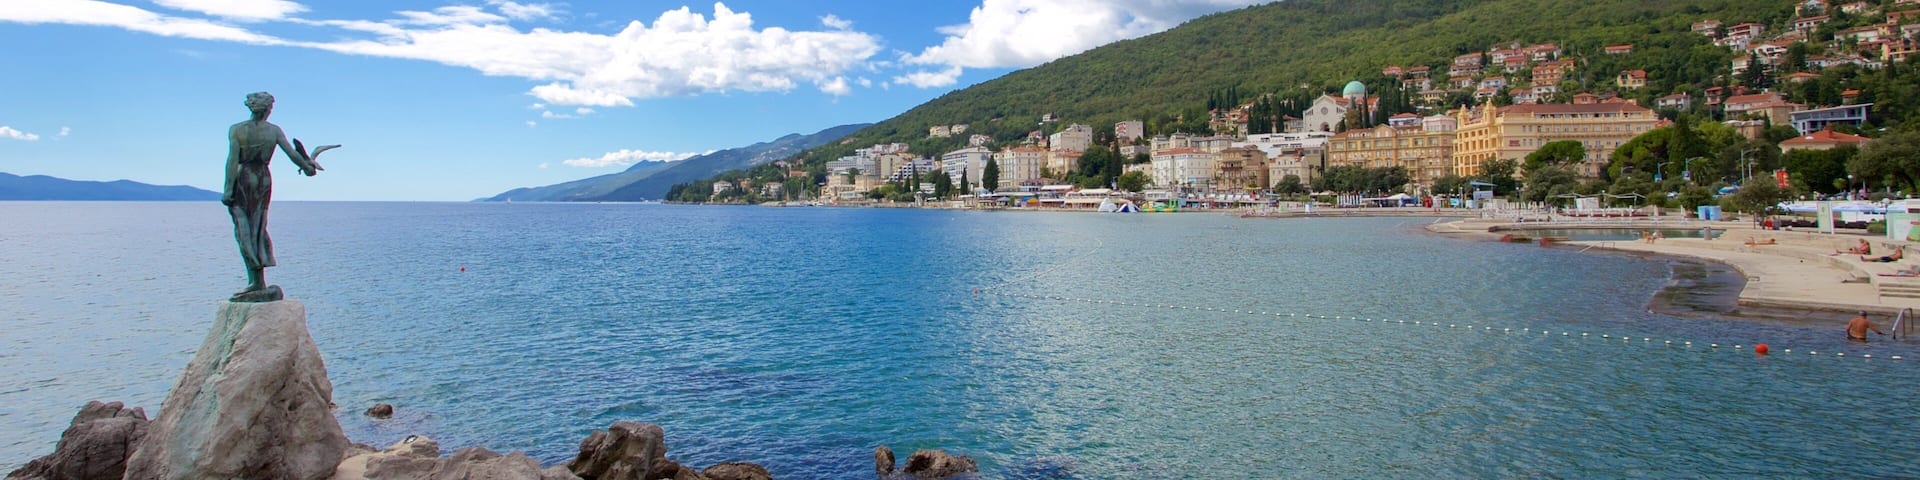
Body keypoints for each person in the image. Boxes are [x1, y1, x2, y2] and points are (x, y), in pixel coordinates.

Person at [224, 92, 333, 302]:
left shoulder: (236, 130)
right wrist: (307, 167)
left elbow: (232, 160)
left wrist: (228, 189)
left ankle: (255, 280)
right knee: (258, 227)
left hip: (243, 177)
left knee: (244, 229)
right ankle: (258, 280)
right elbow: (292, 154)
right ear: (267, 109)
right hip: (262, 178)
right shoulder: (273, 131)